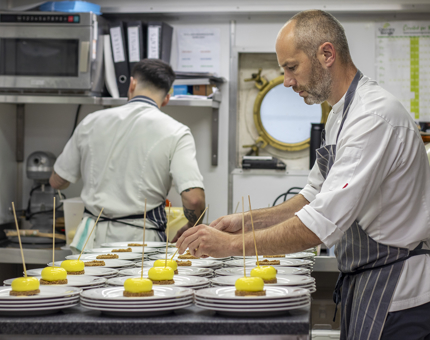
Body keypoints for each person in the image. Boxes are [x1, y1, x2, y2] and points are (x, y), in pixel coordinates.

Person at [176, 10, 430, 340]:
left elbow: (319, 224)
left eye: (291, 67)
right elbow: (311, 197)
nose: (286, 81)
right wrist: (247, 221)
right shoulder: (339, 116)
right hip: (367, 282)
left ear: (327, 54)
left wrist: (230, 245)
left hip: (398, 294)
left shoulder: (373, 116)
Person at [50, 59, 205, 249]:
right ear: (166, 98)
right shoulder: (176, 131)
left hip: (90, 241)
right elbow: (194, 199)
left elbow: (57, 181)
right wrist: (192, 226)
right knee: (136, 281)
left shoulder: (91, 122)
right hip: (140, 244)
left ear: (132, 84)